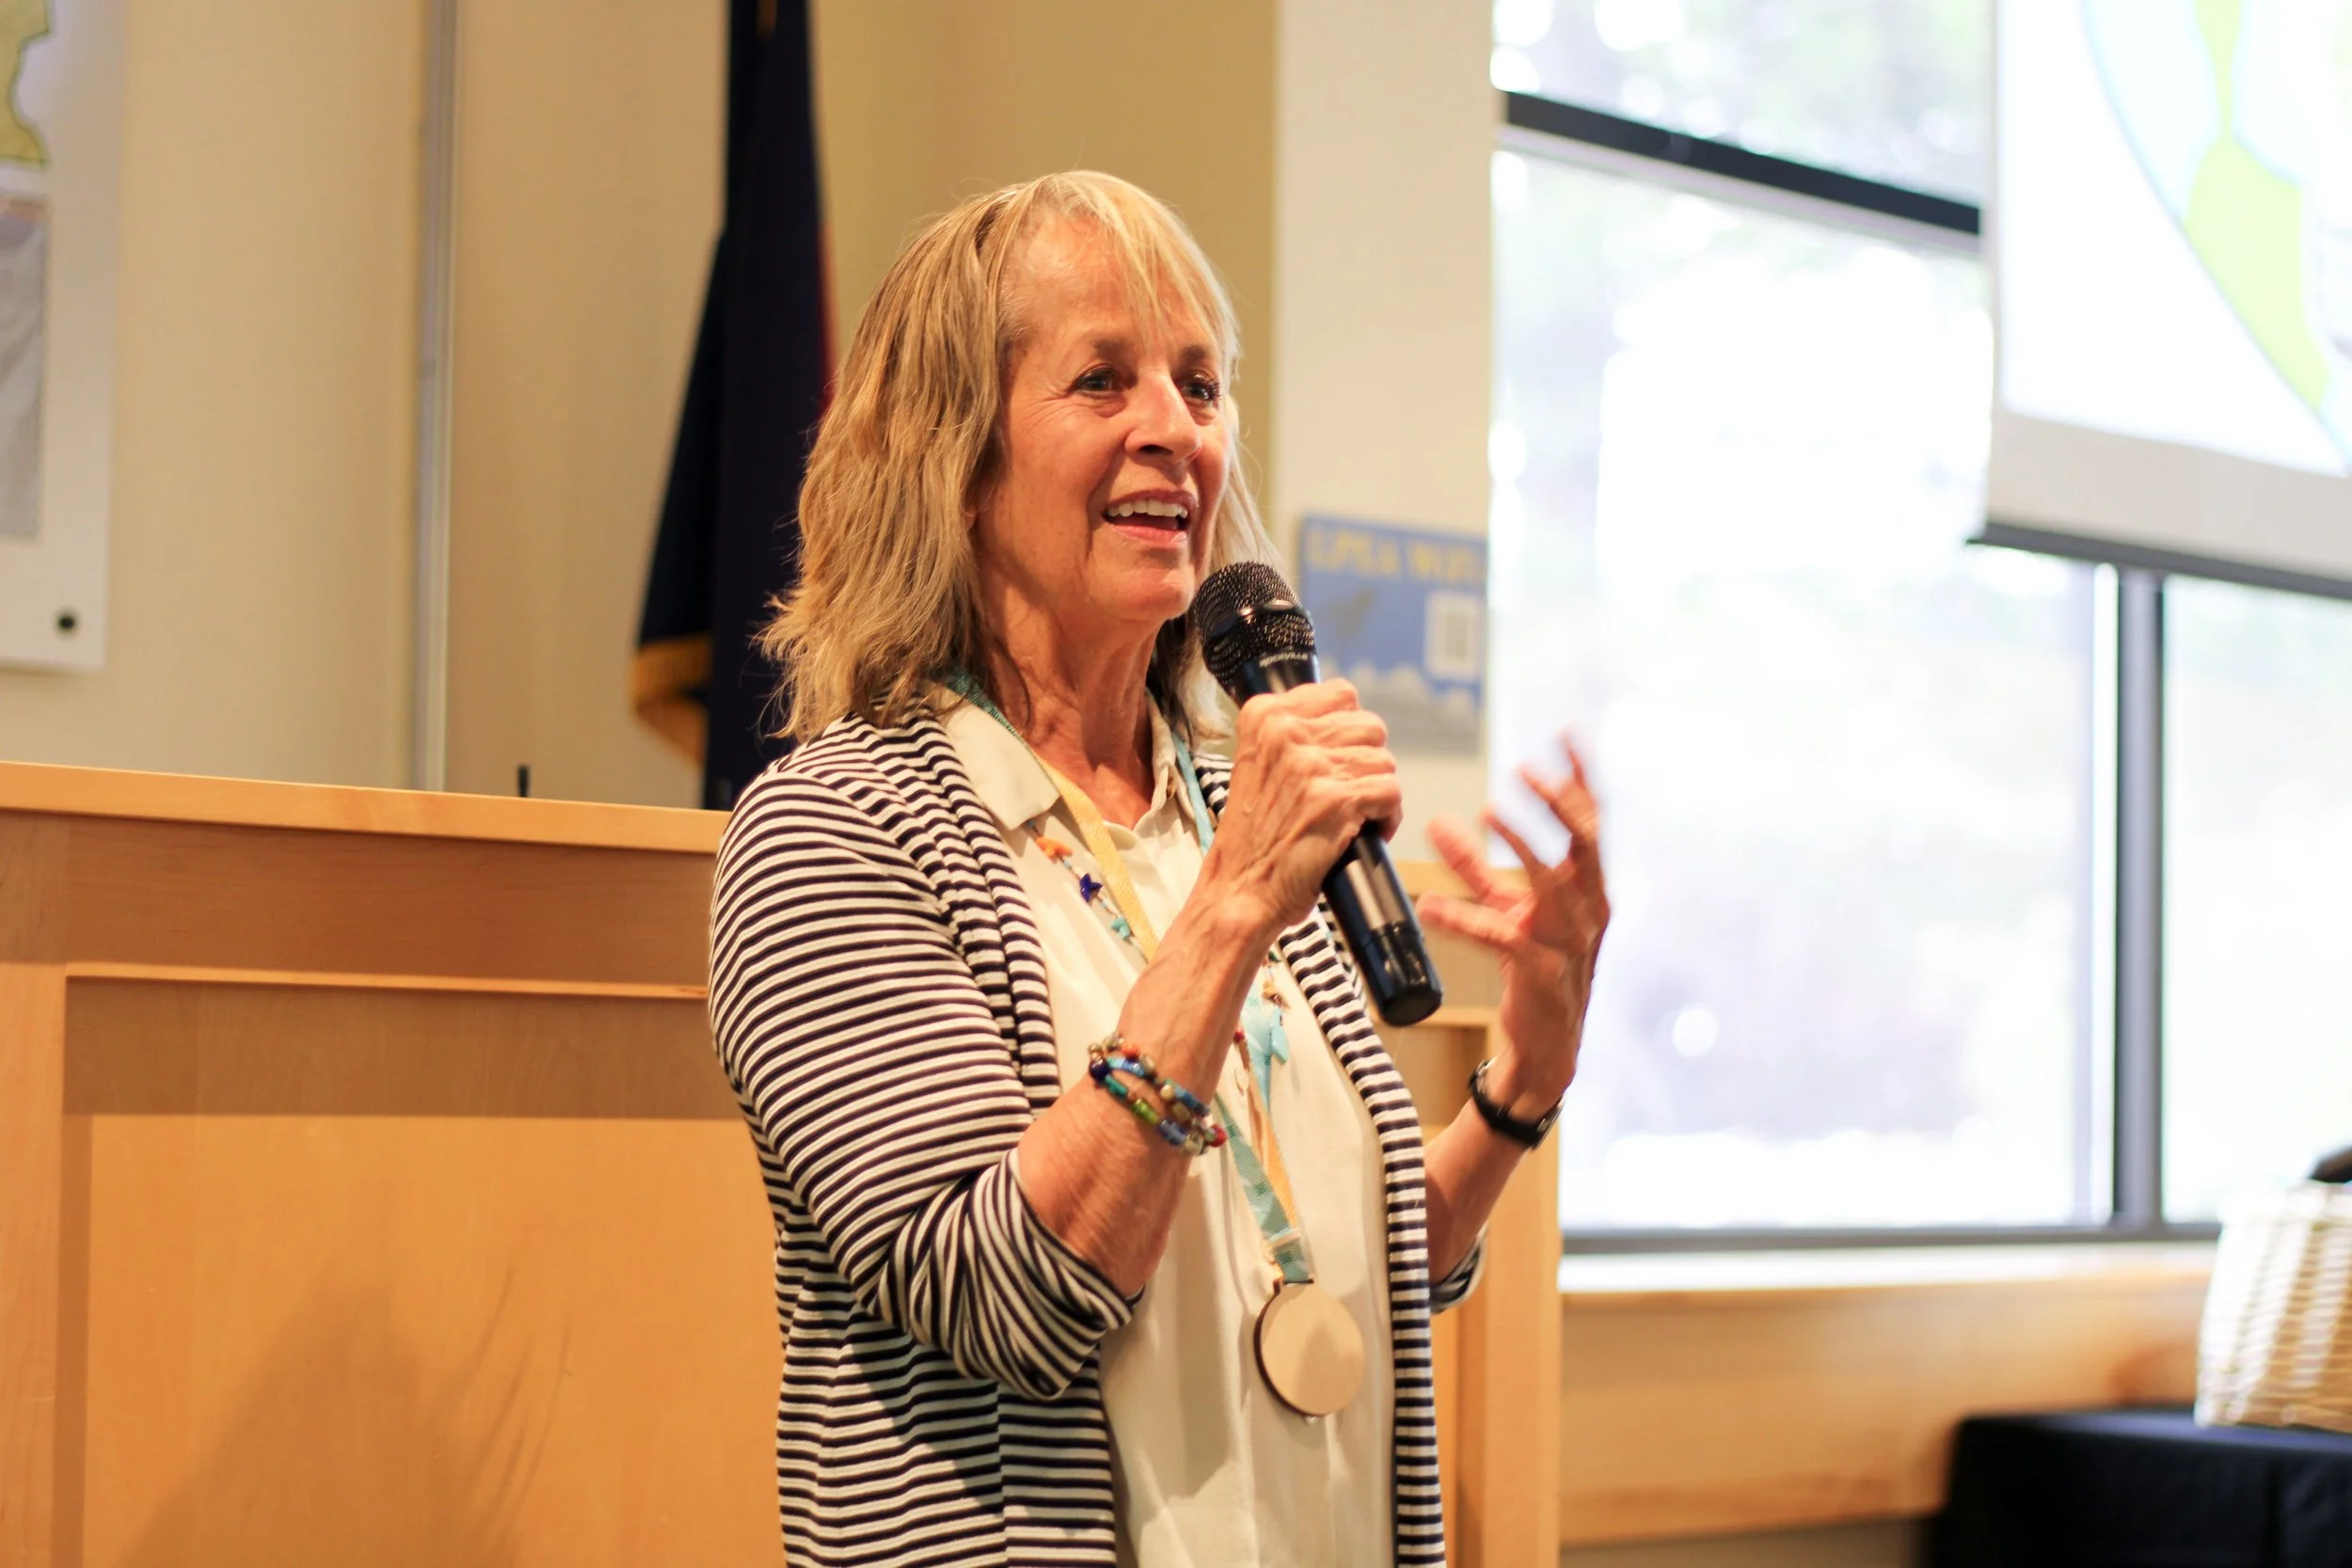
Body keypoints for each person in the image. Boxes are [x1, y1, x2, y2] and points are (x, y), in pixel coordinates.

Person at [708, 170, 1608, 1568]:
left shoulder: (1225, 802)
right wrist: (1237, 902)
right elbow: (1013, 1293)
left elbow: (1332, 1266)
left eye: (1200, 383)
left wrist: (1523, 1086)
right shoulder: (834, 830)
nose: (1175, 433)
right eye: (1103, 380)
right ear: (956, 453)